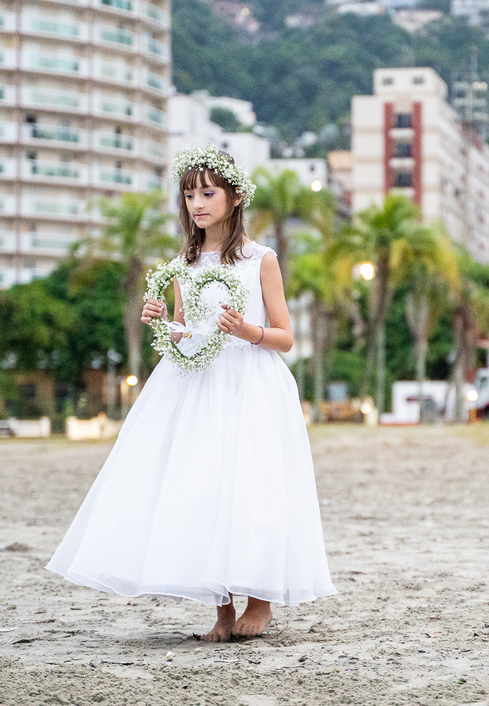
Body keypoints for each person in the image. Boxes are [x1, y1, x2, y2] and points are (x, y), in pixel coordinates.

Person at [47, 146, 336, 641]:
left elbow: (285, 336)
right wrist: (166, 324)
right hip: (196, 383)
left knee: (252, 484)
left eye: (207, 192)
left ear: (234, 196)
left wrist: (247, 330)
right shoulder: (181, 263)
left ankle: (260, 601)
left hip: (250, 380)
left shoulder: (260, 259)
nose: (196, 203)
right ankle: (221, 609)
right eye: (188, 194)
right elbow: (189, 331)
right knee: (202, 484)